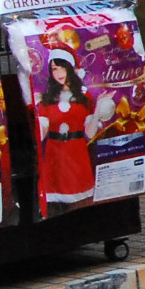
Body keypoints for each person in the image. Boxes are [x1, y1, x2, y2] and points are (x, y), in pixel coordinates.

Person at [36, 52, 98, 210]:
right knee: (55, 204)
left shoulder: (85, 97)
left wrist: (98, 113)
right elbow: (41, 135)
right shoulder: (47, 100)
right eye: (54, 69)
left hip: (77, 154)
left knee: (82, 200)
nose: (59, 73)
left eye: (62, 67)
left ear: (70, 68)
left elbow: (90, 134)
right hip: (55, 155)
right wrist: (36, 110)